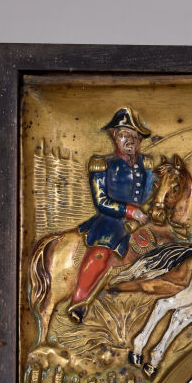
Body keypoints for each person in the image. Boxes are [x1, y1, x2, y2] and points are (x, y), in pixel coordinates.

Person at [68, 108, 155, 323]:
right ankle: (79, 302)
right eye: (124, 135)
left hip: (142, 219)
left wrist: (146, 212)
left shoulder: (146, 164)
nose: (130, 140)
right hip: (111, 220)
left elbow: (149, 194)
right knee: (101, 254)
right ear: (114, 136)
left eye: (135, 136)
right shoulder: (103, 165)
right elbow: (101, 202)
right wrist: (129, 211)